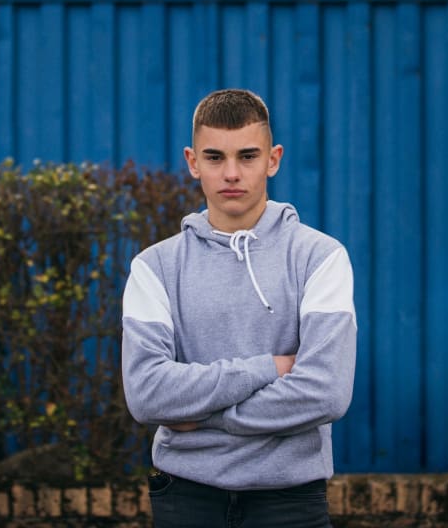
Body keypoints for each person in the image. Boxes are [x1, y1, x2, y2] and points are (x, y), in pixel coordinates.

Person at [121, 88, 357, 527]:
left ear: (273, 159)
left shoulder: (320, 258)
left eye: (247, 156)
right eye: (215, 158)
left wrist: (208, 418)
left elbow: (326, 391)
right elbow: (146, 393)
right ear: (193, 162)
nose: (231, 173)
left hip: (290, 502)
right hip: (186, 497)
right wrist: (269, 367)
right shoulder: (154, 267)